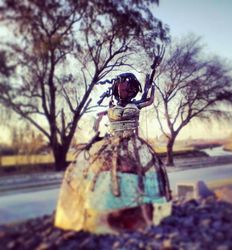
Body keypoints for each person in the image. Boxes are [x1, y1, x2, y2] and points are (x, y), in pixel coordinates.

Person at [54, 72, 172, 234]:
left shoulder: (137, 104)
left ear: (132, 91)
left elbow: (150, 100)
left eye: (127, 89)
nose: (123, 91)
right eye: (120, 88)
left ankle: (140, 212)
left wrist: (151, 84)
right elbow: (103, 125)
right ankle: (107, 211)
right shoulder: (111, 106)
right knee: (103, 173)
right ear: (116, 90)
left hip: (132, 143)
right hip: (112, 143)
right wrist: (98, 129)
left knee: (138, 173)